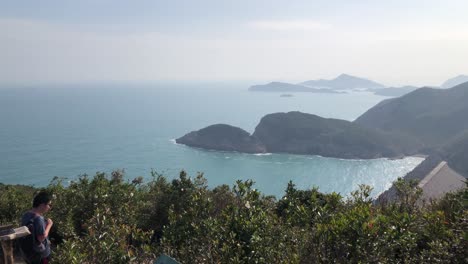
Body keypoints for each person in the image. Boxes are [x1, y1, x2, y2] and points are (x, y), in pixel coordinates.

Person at [20, 191, 53, 264]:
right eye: (49, 204)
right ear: (42, 205)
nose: (49, 207)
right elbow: (41, 238)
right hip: (40, 255)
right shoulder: (38, 219)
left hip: (28, 252)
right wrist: (49, 225)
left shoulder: (26, 215)